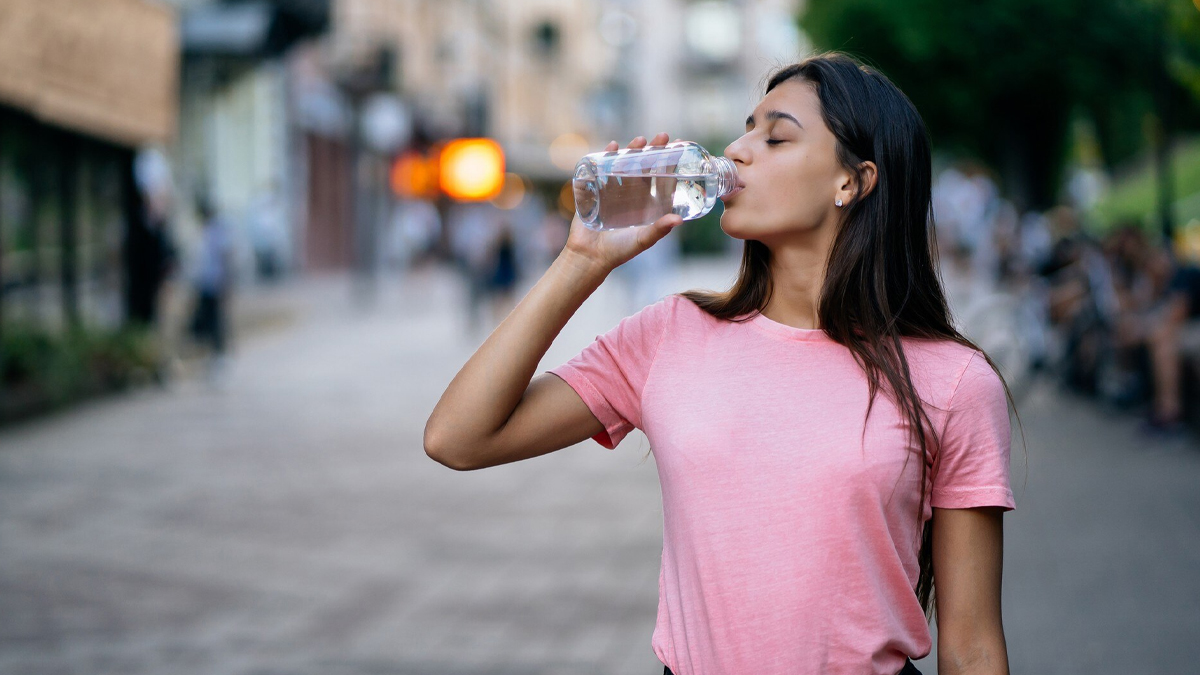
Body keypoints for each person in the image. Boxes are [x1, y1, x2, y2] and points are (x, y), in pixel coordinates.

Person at [424, 52, 1020, 675]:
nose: (736, 151)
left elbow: (972, 645)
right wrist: (583, 259)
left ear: (853, 181)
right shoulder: (669, 336)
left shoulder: (952, 382)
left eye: (776, 137)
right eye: (745, 129)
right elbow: (458, 438)